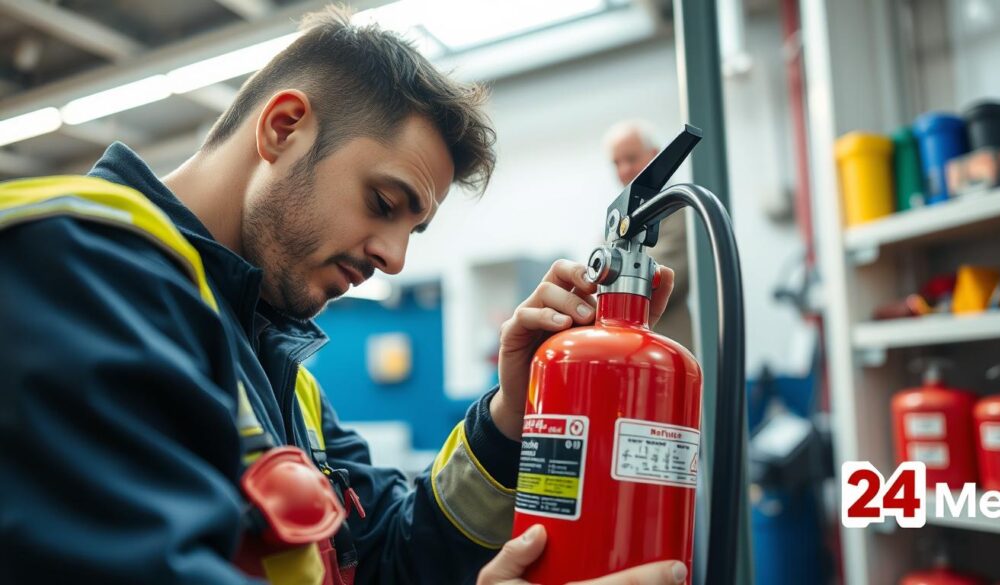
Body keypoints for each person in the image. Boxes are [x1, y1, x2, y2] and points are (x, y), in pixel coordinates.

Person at [0, 6, 685, 585]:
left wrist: (510, 413)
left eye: (414, 227)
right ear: (283, 127)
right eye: (385, 202)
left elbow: (390, 554)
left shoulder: (276, 371)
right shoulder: (74, 267)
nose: (393, 257)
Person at [604, 120, 694, 350]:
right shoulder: (619, 219)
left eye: (631, 159)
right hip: (626, 345)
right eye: (617, 163)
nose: (623, 170)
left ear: (655, 155)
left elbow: (662, 277)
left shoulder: (676, 209)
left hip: (664, 346)